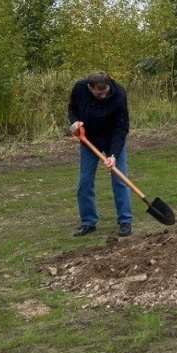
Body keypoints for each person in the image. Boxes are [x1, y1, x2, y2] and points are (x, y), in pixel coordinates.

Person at [67, 70, 133, 237]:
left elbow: (122, 127)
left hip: (113, 140)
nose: (103, 95)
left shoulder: (118, 94)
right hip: (89, 140)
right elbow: (72, 107)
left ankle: (125, 221)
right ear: (90, 87)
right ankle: (88, 222)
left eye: (105, 91)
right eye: (98, 92)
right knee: (84, 182)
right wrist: (74, 122)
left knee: (120, 180)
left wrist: (114, 155)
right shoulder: (79, 89)